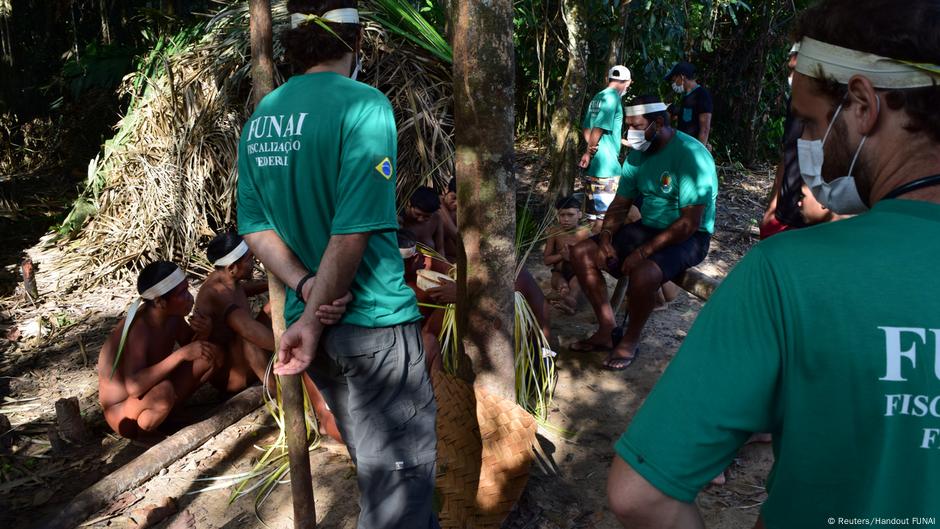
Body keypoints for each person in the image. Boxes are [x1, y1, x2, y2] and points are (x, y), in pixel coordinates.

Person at [607, 1, 940, 527]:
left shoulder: (786, 275)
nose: (806, 145)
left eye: (809, 123)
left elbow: (639, 495)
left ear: (861, 105)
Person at [236, 1, 439, 527]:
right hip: (370, 323)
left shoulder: (264, 116)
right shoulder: (365, 104)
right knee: (400, 489)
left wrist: (306, 292)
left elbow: (255, 227)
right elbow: (353, 228)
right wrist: (309, 314)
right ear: (355, 43)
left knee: (375, 471)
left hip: (318, 330)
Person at [569, 96, 717, 371]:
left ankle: (630, 340)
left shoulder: (691, 156)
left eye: (636, 126)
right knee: (581, 252)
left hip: (690, 236)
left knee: (644, 273)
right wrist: (606, 239)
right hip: (648, 227)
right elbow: (621, 203)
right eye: (628, 126)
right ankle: (606, 329)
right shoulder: (638, 156)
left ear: (658, 123)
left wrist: (642, 252)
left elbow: (688, 224)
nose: (630, 133)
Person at [194, 232, 348, 441]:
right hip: (232, 375)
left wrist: (284, 280)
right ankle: (280, 394)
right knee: (245, 334)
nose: (254, 262)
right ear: (232, 268)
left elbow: (245, 289)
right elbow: (247, 330)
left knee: (271, 306)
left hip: (242, 359)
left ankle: (287, 349)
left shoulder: (229, 281)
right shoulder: (216, 293)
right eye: (249, 260)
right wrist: (288, 348)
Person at [97, 261, 221, 438]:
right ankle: (146, 435)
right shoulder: (139, 329)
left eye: (187, 289)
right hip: (123, 411)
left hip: (152, 389)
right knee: (164, 392)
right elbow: (134, 388)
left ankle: (169, 416)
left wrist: (205, 331)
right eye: (182, 293)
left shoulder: (171, 315)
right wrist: (181, 355)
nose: (189, 297)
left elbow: (193, 347)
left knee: (211, 354)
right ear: (159, 301)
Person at [579, 65, 632, 233]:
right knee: (605, 220)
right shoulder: (612, 98)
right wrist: (589, 151)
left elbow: (587, 129)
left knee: (592, 218)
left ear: (607, 79)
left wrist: (592, 149)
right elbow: (599, 129)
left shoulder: (598, 96)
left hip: (595, 166)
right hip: (607, 169)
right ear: (627, 82)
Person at [543, 195, 591, 314]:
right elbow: (546, 260)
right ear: (558, 215)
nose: (566, 219)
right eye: (562, 215)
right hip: (559, 273)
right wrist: (561, 256)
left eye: (570, 215)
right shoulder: (554, 232)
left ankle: (570, 305)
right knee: (562, 285)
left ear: (579, 215)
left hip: (577, 273)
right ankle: (565, 298)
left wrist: (574, 258)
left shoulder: (586, 234)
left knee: (576, 285)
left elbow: (591, 263)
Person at [665, 61, 713, 149]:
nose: (673, 83)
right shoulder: (685, 97)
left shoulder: (702, 95)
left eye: (674, 80)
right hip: (683, 148)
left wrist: (699, 151)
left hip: (693, 149)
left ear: (682, 77)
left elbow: (705, 129)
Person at [400, 185, 445, 252]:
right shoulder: (399, 219)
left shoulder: (436, 218)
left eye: (427, 216)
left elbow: (440, 249)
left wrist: (442, 262)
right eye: (417, 214)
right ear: (409, 204)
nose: (420, 219)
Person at [439, 177, 459, 261]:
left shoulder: (457, 213)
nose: (456, 203)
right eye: (453, 198)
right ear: (446, 190)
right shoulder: (438, 203)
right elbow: (455, 234)